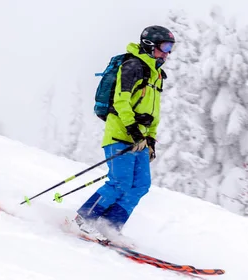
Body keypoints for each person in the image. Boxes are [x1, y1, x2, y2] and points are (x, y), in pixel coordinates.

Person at [73, 25, 175, 241]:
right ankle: (83, 219)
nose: (168, 53)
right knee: (119, 182)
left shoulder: (157, 74)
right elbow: (121, 100)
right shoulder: (133, 66)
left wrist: (150, 138)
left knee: (140, 185)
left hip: (140, 139)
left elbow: (153, 111)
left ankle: (109, 226)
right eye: (165, 47)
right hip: (120, 134)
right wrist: (133, 129)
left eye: (170, 48)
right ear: (150, 46)